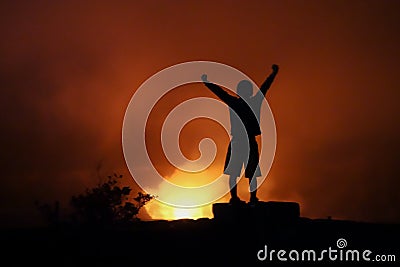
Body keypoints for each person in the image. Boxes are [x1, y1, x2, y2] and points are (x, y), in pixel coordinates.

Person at [201, 64, 279, 205]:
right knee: (236, 171)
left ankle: (249, 198)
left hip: (244, 140)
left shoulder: (245, 102)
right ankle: (239, 198)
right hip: (240, 141)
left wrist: (273, 74)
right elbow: (221, 93)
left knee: (248, 171)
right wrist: (207, 83)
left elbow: (265, 87)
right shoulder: (246, 102)